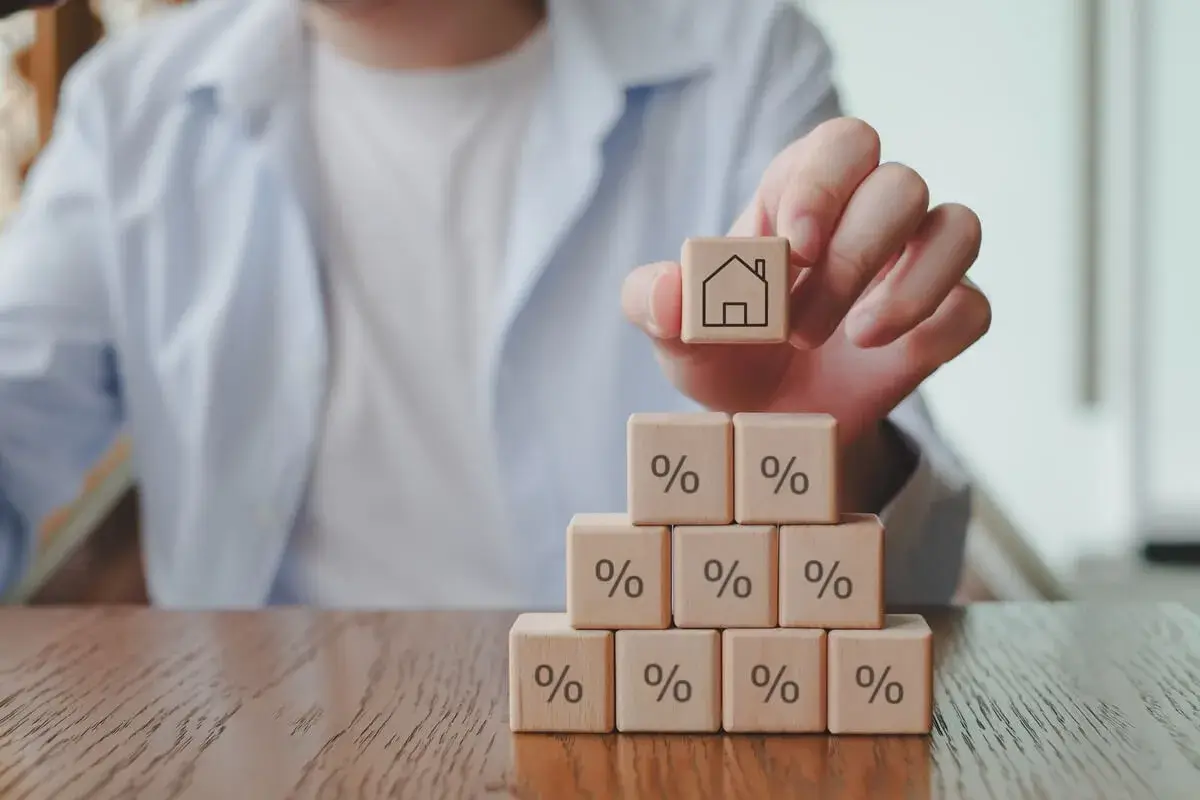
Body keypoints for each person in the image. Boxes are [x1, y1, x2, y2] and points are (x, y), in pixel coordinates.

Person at [0, 0, 989, 609]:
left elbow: (913, 578)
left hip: (644, 747)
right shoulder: (124, 109)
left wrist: (809, 461)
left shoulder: (748, 58)